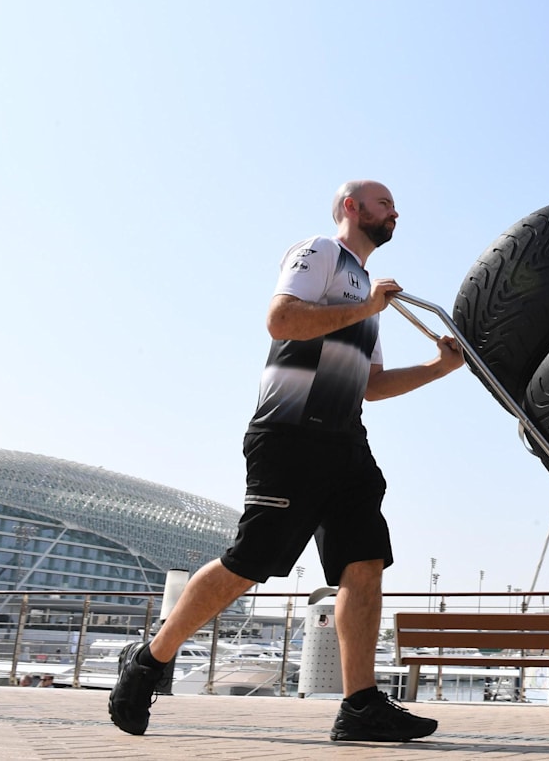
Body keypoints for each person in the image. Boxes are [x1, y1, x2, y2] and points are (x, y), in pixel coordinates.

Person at [108, 180, 464, 741]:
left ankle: (360, 706)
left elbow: (370, 385)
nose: (395, 211)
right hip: (291, 433)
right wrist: (367, 307)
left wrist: (436, 369)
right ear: (352, 207)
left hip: (348, 440)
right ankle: (150, 659)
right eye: (384, 202)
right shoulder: (319, 252)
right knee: (251, 561)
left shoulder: (368, 289)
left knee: (364, 562)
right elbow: (282, 320)